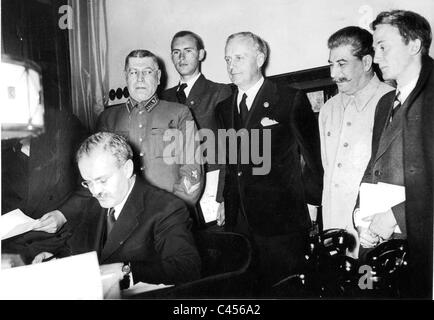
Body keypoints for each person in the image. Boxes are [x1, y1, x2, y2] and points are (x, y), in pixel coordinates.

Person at [216, 32, 323, 295]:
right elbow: (230, 162)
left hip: (281, 220)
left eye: (239, 58)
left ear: (260, 58)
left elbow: (313, 158)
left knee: (285, 290)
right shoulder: (223, 108)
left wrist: (311, 204)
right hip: (238, 219)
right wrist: (223, 200)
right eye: (228, 59)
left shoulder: (289, 99)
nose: (231, 66)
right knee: (246, 290)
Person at [34, 132, 201, 286]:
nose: (95, 191)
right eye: (88, 182)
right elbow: (80, 252)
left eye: (103, 180)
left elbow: (187, 267)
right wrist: (58, 262)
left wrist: (126, 272)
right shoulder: (93, 205)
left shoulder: (166, 208)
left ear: (127, 169)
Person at [355, 10, 433, 298]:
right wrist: (360, 214)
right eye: (375, 49)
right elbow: (374, 163)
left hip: (422, 244)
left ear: (414, 45)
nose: (376, 58)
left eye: (383, 47)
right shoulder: (386, 102)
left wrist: (395, 216)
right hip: (378, 243)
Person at [97, 49, 203, 207]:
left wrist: (171, 213)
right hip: (124, 214)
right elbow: (97, 174)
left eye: (147, 72)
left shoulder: (180, 113)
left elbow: (192, 171)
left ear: (158, 77)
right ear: (126, 76)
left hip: (169, 213)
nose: (140, 79)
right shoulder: (108, 118)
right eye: (133, 72)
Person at [319, 27, 393, 236]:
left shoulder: (393, 103)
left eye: (342, 65)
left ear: (367, 63)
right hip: (334, 229)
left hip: (374, 231)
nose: (334, 74)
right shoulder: (328, 109)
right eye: (331, 65)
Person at [162, 31, 231, 227]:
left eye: (188, 51)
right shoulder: (164, 98)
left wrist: (224, 196)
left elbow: (230, 148)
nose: (181, 57)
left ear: (201, 54)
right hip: (175, 188)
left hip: (210, 186)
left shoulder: (219, 92)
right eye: (176, 52)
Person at [1, 108, 87, 263]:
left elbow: (91, 186)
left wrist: (62, 215)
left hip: (64, 241)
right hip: (13, 250)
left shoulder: (63, 125)